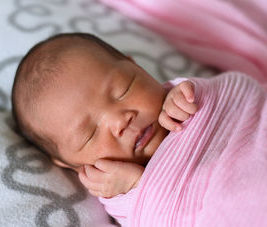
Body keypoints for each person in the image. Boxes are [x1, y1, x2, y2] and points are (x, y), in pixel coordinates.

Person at [11, 32, 197, 198]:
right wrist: (137, 186)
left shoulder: (186, 96)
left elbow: (225, 93)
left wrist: (191, 95)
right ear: (73, 166)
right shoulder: (117, 194)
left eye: (123, 90)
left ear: (137, 68)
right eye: (89, 134)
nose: (119, 121)